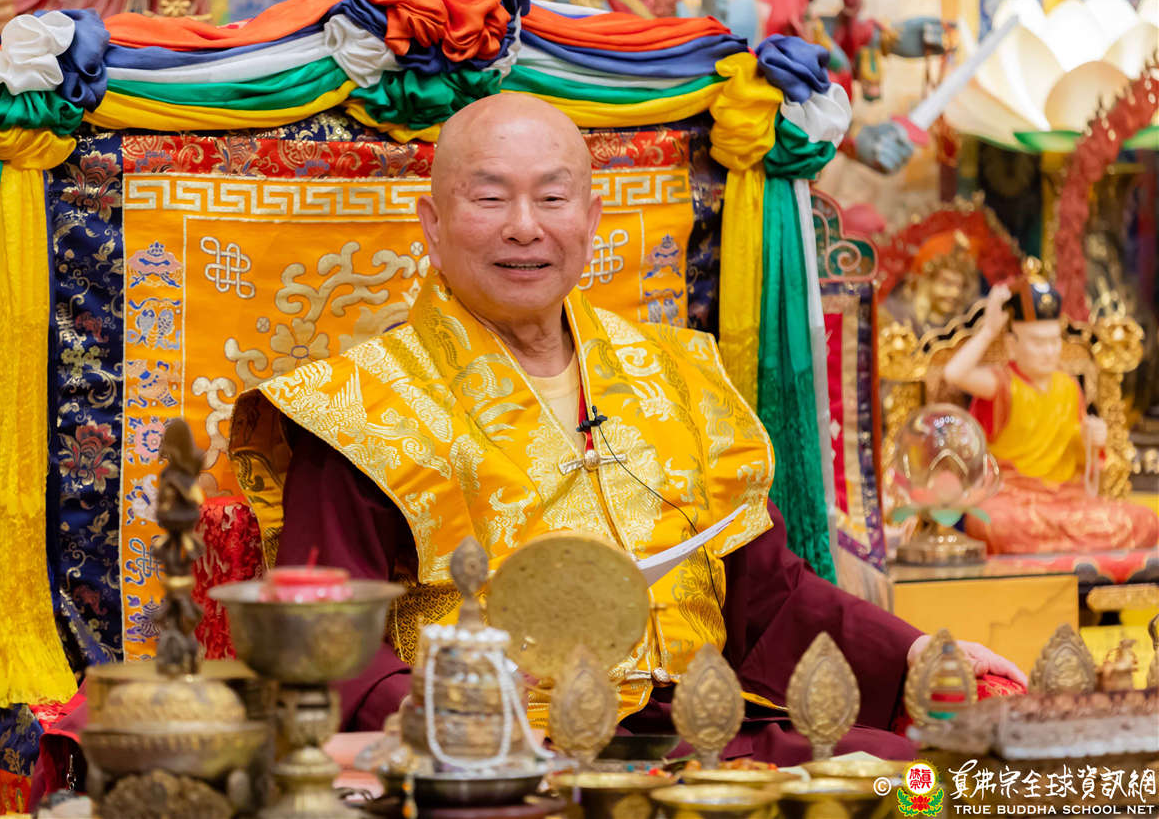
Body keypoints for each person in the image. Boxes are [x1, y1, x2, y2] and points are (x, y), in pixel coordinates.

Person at [230, 93, 1024, 764]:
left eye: (552, 198)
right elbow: (329, 640)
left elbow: (768, 595)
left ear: (591, 218)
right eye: (490, 197)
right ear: (432, 224)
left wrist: (916, 651)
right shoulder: (361, 408)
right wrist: (454, 724)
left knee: (938, 779)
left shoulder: (675, 373)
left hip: (708, 735)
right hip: (511, 754)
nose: (524, 227)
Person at [943, 264, 1158, 554]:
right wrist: (989, 330)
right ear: (1012, 345)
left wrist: (1092, 441)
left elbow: (1082, 462)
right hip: (1013, 498)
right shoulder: (1003, 384)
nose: (1048, 351)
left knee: (1145, 521)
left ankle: (1053, 545)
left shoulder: (1068, 386)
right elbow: (954, 374)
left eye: (1054, 341)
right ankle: (1069, 543)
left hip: (1066, 499)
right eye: (1037, 342)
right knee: (995, 522)